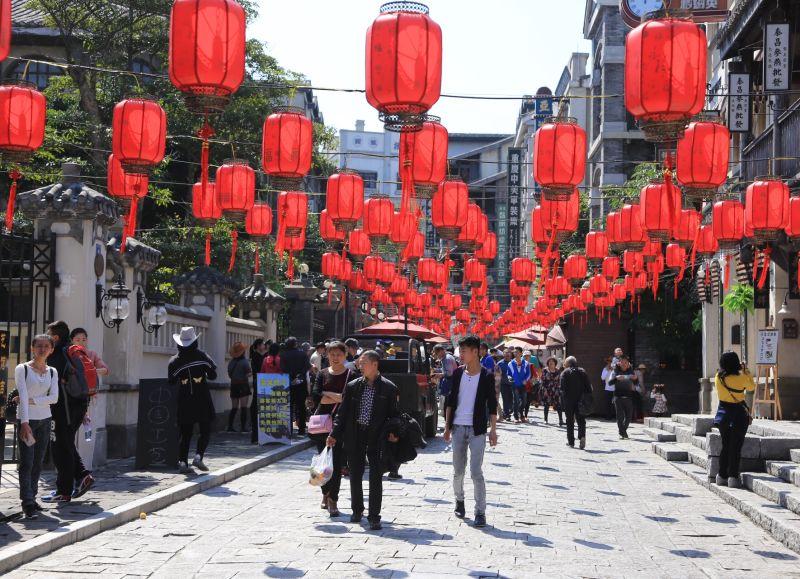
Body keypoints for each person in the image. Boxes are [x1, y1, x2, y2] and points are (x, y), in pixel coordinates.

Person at [328, 350, 399, 531]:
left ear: (374, 364)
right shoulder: (353, 386)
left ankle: (374, 515)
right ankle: (357, 510)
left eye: (363, 363)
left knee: (376, 476)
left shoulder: (389, 388)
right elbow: (342, 414)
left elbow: (394, 415)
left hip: (377, 437)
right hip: (355, 433)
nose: (360, 366)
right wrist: (334, 434)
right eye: (359, 363)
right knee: (355, 474)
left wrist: (393, 433)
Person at [443, 336, 498, 528]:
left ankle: (480, 512)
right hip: (458, 427)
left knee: (476, 472)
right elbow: (450, 401)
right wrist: (447, 427)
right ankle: (459, 500)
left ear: (475, 352)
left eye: (464, 351)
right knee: (458, 471)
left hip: (477, 429)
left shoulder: (486, 375)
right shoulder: (458, 373)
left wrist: (493, 430)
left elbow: (492, 404)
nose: (461, 354)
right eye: (461, 351)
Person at [42, 320, 93, 503]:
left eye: (48, 335)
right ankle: (82, 476)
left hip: (63, 409)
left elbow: (50, 384)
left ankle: (63, 491)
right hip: (78, 405)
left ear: (55, 337)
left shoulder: (57, 355)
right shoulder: (72, 351)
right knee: (66, 443)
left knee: (60, 448)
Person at [15, 334, 59, 518]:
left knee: (38, 462)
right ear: (32, 348)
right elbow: (22, 397)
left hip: (45, 419)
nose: (42, 349)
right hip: (28, 420)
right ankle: (27, 502)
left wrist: (33, 400)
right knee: (27, 462)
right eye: (39, 346)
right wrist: (24, 423)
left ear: (51, 349)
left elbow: (54, 398)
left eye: (46, 346)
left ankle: (32, 496)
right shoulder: (22, 369)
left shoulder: (52, 372)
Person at [168, 326, 217, 473]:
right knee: (205, 430)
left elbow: (171, 381)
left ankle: (183, 462)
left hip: (184, 401)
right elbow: (213, 374)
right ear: (195, 340)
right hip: (202, 398)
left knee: (186, 432)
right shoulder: (202, 356)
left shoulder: (174, 361)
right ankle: (198, 456)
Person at [311, 341, 351, 517]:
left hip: (341, 424)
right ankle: (324, 493)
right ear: (327, 355)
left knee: (336, 463)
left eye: (339, 354)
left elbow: (348, 399)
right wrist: (336, 397)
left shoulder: (351, 374)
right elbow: (316, 396)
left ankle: (333, 499)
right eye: (332, 354)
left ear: (345, 355)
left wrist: (327, 395)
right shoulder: (322, 374)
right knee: (322, 463)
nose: (335, 358)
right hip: (321, 424)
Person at [69, 327, 108, 476]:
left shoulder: (91, 354)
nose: (81, 342)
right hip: (72, 400)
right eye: (78, 339)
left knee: (87, 432)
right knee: (71, 433)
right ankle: (71, 465)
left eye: (84, 339)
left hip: (89, 400)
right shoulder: (69, 354)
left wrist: (89, 371)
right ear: (72, 340)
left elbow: (105, 369)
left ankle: (86, 466)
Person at [712, 351, 755, 488]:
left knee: (726, 445)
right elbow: (751, 387)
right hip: (739, 413)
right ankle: (733, 477)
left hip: (723, 413)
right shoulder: (741, 377)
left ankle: (722, 475)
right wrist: (746, 370)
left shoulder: (718, 376)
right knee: (736, 447)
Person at [280, 337, 312, 436]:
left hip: (287, 382)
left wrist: (291, 376)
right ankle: (301, 429)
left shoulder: (283, 355)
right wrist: (299, 375)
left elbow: (282, 368)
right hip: (300, 382)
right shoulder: (302, 354)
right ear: (295, 344)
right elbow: (307, 366)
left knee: (288, 406)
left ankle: (288, 429)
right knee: (301, 406)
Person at [560, 356, 591, 449]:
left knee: (569, 420)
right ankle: (582, 436)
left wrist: (562, 401)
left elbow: (562, 389)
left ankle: (571, 442)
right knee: (581, 420)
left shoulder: (565, 373)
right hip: (581, 400)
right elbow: (588, 388)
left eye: (565, 364)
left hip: (569, 400)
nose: (564, 365)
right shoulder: (582, 371)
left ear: (568, 364)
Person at [609, 356, 638, 440]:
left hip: (628, 396)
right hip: (618, 396)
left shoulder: (631, 371)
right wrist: (616, 378)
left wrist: (635, 379)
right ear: (619, 363)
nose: (624, 364)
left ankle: (622, 431)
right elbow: (610, 383)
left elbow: (636, 383)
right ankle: (622, 433)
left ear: (628, 363)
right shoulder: (615, 371)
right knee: (620, 416)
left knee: (629, 416)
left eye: (626, 362)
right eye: (622, 362)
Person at [227, 342, 252, 432]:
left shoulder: (231, 362)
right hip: (243, 385)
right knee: (244, 407)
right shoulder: (244, 362)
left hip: (233, 385)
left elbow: (229, 375)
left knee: (234, 407)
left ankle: (230, 426)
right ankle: (243, 427)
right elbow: (249, 374)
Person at [249, 339, 268, 444]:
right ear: (258, 346)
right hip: (259, 384)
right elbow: (258, 371)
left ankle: (257, 436)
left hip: (260, 384)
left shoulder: (261, 356)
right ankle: (255, 436)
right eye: (262, 344)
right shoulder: (257, 357)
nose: (264, 345)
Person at [507, 347, 531, 423]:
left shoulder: (526, 363)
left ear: (521, 353)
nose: (515, 353)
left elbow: (528, 374)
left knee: (524, 401)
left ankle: (521, 413)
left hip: (523, 385)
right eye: (514, 352)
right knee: (516, 401)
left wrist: (526, 380)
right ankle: (516, 417)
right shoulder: (510, 363)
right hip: (515, 385)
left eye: (517, 352)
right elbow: (508, 374)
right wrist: (510, 378)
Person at [540, 357, 563, 426]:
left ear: (555, 363)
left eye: (552, 362)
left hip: (556, 390)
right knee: (546, 405)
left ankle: (560, 420)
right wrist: (544, 390)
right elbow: (542, 380)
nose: (551, 363)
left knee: (558, 405)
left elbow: (560, 381)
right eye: (549, 362)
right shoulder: (545, 370)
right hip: (547, 389)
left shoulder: (558, 371)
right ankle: (545, 419)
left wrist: (559, 389)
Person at [497, 350, 513, 421]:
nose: (507, 356)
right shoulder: (500, 363)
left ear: (510, 355)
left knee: (512, 400)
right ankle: (507, 415)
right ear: (503, 355)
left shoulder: (513, 363)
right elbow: (497, 374)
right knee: (505, 399)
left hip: (513, 384)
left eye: (508, 354)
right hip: (503, 384)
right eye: (506, 354)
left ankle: (509, 411)